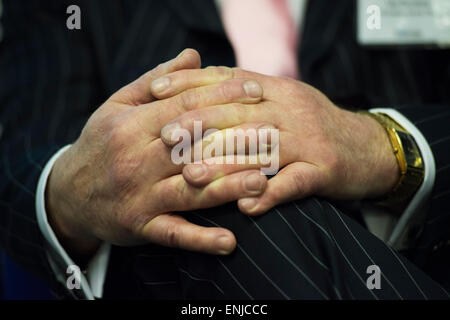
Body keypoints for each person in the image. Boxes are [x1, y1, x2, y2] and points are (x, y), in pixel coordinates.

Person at [0, 0, 449, 299]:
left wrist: (379, 143)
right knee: (228, 196)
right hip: (164, 281)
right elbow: (22, 160)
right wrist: (76, 187)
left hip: (409, 256)